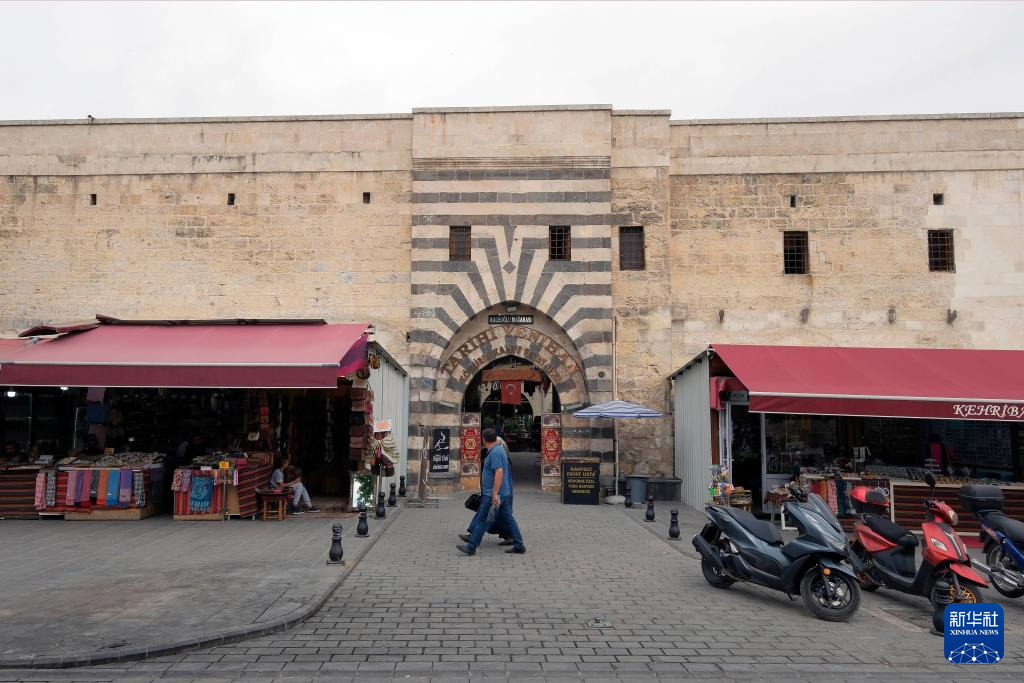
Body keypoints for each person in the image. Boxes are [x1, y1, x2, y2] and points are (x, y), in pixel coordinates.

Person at [457, 428, 525, 556]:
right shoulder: (498, 450)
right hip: (502, 493)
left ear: (484, 439)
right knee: (508, 519)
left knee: (483, 519)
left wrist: (494, 494)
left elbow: (499, 473)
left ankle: (471, 547)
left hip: (494, 494)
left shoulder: (495, 453)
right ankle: (519, 545)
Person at [462, 435, 516, 546]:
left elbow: (500, 476)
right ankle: (514, 539)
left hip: (497, 493)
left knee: (486, 515)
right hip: (497, 493)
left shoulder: (498, 458)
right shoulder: (498, 456)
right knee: (502, 516)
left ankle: (472, 540)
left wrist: (494, 493)